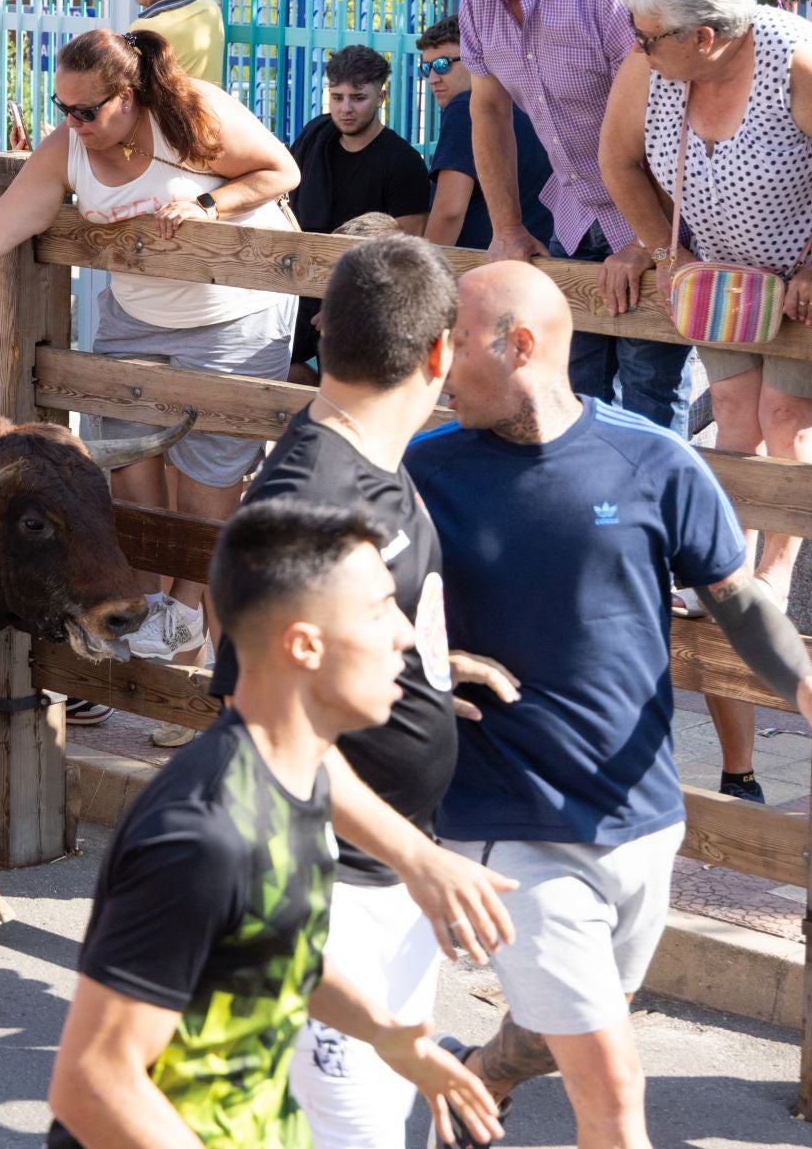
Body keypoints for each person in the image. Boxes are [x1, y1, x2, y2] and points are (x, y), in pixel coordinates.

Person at [406, 261, 812, 1149]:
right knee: (613, 1077)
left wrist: (802, 684)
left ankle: (480, 1075)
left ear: (520, 345)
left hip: (641, 812)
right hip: (506, 815)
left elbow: (735, 596)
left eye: (456, 343)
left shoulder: (654, 459)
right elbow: (344, 601)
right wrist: (422, 661)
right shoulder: (424, 469)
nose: (437, 365)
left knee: (574, 1023)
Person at [0, 27, 299, 732]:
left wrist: (207, 207)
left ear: (129, 95)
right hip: (137, 315)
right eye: (63, 108)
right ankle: (157, 670)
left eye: (87, 110)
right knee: (128, 493)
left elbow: (281, 171)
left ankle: (207, 693)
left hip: (233, 316)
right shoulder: (69, 145)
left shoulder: (192, 114)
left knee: (207, 508)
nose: (74, 123)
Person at [44, 497, 504, 1149]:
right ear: (305, 645)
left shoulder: (300, 777)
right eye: (381, 610)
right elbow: (92, 1084)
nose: (405, 637)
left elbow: (277, 946)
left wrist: (387, 1035)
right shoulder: (203, 837)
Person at [210, 235, 522, 1147]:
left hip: (388, 870)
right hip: (328, 879)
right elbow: (261, 733)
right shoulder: (312, 499)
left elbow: (340, 631)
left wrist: (421, 666)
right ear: (438, 353)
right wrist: (421, 859)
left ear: (322, 330)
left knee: (382, 1115)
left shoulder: (377, 464)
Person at [599, 0, 812, 806]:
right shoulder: (654, 71)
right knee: (734, 417)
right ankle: (723, 571)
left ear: (705, 36)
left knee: (786, 421)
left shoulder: (798, 64)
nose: (636, 48)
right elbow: (617, 160)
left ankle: (772, 576)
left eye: (649, 36)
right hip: (722, 282)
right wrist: (666, 251)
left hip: (804, 282)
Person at [434, 0, 694, 435]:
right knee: (561, 390)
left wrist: (646, 241)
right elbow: (487, 110)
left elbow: (668, 118)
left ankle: (654, 497)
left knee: (648, 397)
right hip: (573, 217)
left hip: (653, 217)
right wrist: (507, 229)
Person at [287, 44, 432, 384]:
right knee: (270, 368)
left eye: (358, 97)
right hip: (301, 281)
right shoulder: (315, 136)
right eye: (337, 97)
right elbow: (287, 206)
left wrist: (348, 304)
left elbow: (407, 250)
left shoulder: (403, 163)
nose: (345, 108)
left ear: (381, 97)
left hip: (365, 292)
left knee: (346, 388)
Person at [417, 14, 554, 250]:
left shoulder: (464, 107)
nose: (432, 78)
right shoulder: (526, 102)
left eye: (442, 65)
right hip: (536, 255)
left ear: (473, 57)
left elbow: (450, 211)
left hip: (483, 260)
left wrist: (421, 268)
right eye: (426, 68)